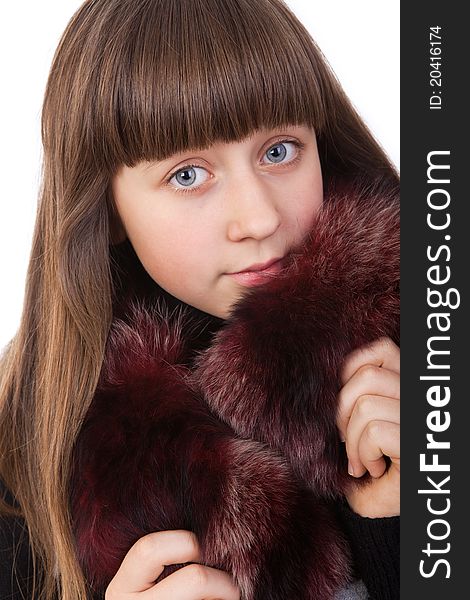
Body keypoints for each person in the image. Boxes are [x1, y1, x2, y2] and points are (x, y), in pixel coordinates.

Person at [0, 1, 400, 599]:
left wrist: (413, 524)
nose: (258, 218)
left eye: (279, 151)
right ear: (107, 210)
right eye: (188, 174)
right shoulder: (31, 458)